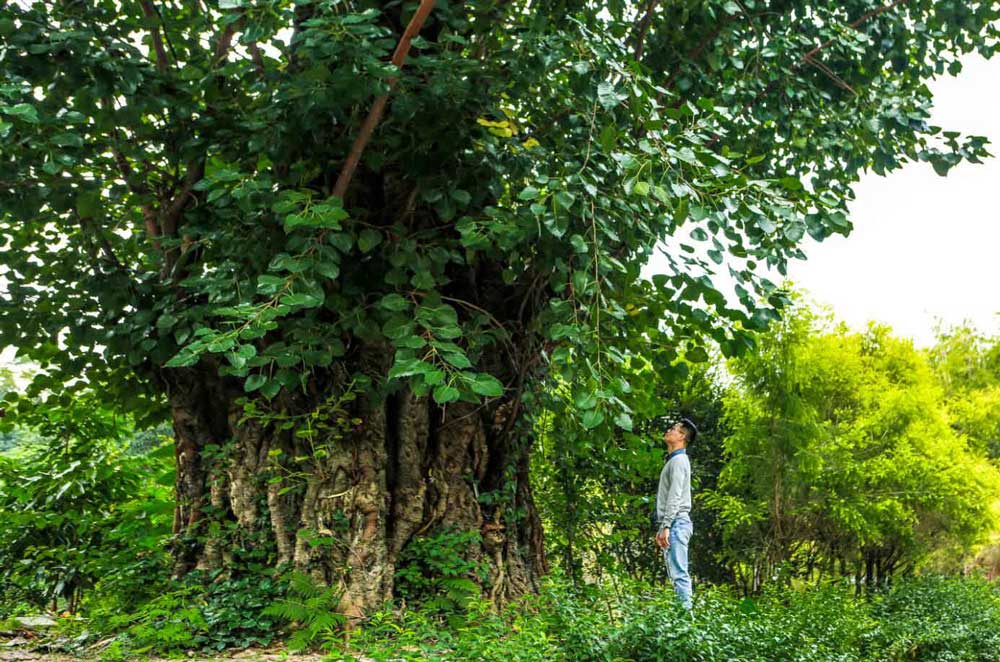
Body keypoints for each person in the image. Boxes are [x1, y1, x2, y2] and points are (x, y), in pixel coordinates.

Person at [655, 417, 696, 609]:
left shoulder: (679, 461)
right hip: (674, 523)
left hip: (677, 523)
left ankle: (687, 621)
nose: (668, 431)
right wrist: (663, 527)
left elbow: (675, 495)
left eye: (673, 429)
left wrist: (666, 525)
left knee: (679, 575)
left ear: (682, 436)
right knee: (675, 575)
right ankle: (682, 617)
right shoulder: (674, 461)